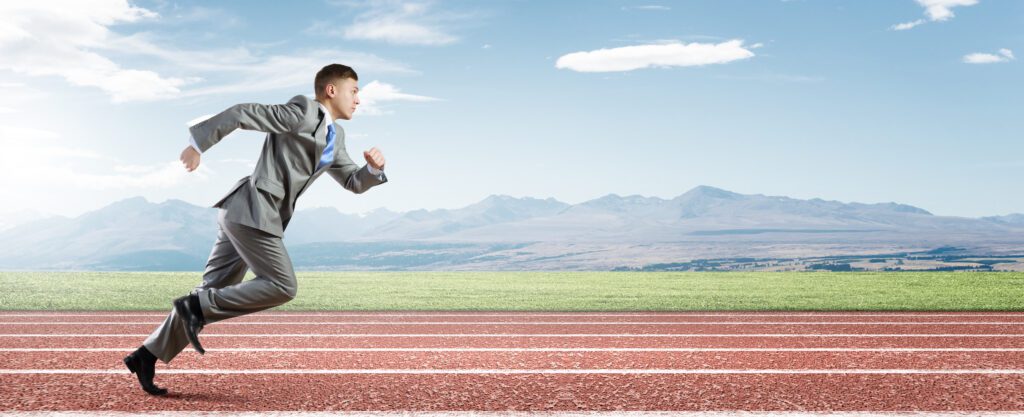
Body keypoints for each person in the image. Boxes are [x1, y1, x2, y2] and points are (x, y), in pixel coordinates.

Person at [123, 63, 388, 395]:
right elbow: (243, 113)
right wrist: (197, 144)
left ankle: (145, 355)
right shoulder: (303, 111)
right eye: (355, 91)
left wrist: (373, 170)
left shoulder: (336, 135)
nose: (358, 100)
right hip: (255, 212)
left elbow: (352, 180)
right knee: (281, 285)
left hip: (244, 213)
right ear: (331, 90)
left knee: (211, 290)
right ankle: (195, 308)